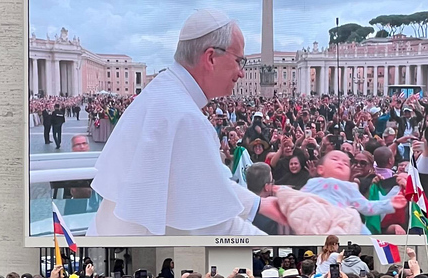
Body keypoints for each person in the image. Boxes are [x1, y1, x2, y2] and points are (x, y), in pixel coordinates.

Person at [88, 9, 287, 236]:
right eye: (239, 61)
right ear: (211, 58)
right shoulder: (184, 117)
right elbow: (218, 227)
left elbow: (210, 183)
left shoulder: (163, 91)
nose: (241, 73)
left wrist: (259, 205)